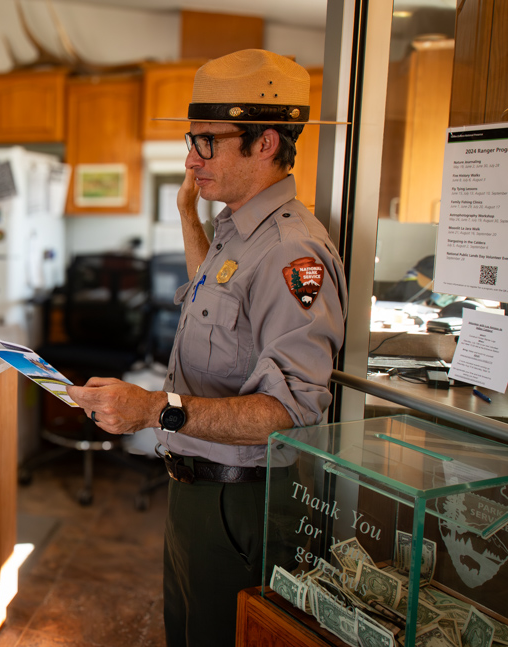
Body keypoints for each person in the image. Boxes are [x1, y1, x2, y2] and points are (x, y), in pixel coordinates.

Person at [66, 49, 348, 647]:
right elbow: (214, 297)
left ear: (266, 142)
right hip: (194, 485)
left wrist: (153, 410)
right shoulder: (235, 225)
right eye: (192, 141)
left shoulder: (290, 251)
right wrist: (189, 217)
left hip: (240, 502)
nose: (191, 160)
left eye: (207, 142)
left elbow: (292, 413)